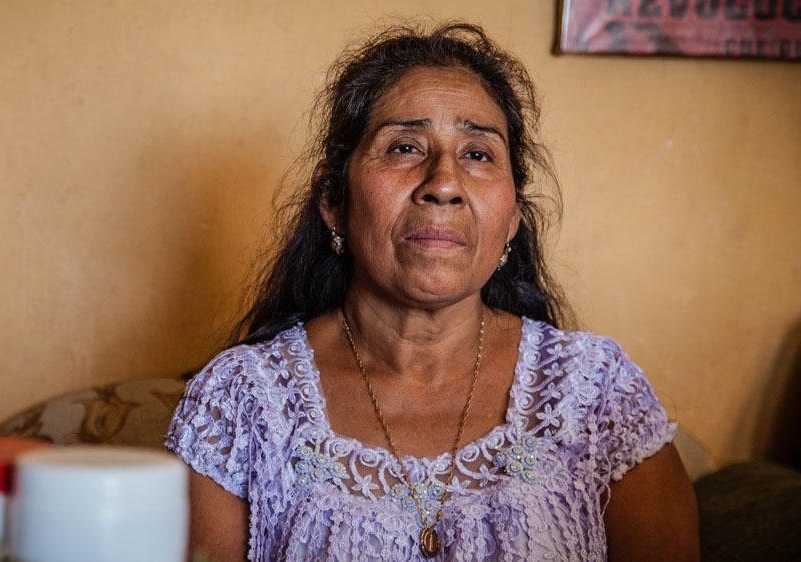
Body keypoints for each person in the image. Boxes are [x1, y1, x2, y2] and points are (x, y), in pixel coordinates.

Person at [166, 22, 699, 561]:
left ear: (513, 214)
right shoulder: (241, 405)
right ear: (332, 199)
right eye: (403, 147)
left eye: (478, 154)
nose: (443, 183)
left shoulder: (597, 396)